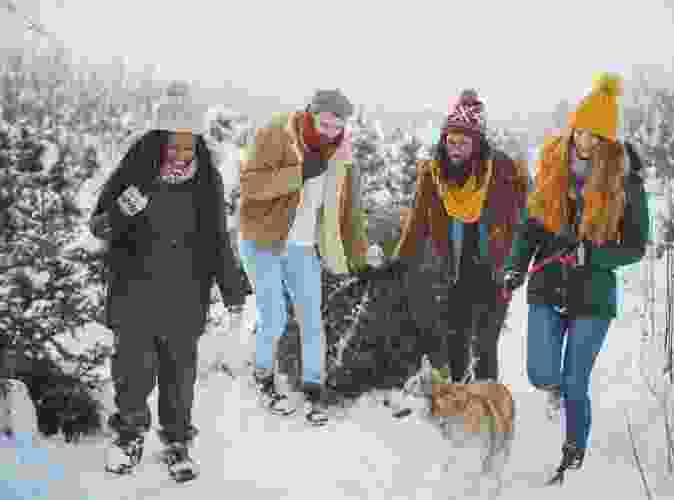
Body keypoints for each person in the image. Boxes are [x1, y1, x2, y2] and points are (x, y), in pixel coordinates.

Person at [89, 82, 249, 481]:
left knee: (179, 376)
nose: (181, 153)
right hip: (134, 292)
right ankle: (129, 436)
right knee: (133, 371)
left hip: (184, 296)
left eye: (188, 144)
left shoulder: (206, 180)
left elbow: (217, 240)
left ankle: (177, 442)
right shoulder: (135, 172)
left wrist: (232, 288)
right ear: (158, 141)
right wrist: (126, 208)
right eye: (173, 145)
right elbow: (99, 225)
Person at [502, 73, 650, 484]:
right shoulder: (550, 169)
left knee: (575, 382)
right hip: (547, 288)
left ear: (608, 141)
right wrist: (516, 265)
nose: (585, 142)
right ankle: (554, 395)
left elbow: (637, 245)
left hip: (593, 296)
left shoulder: (626, 181)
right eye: (581, 132)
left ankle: (574, 451)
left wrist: (595, 256)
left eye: (596, 136)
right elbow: (530, 229)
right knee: (541, 373)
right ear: (572, 130)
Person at [363, 89, 530, 383]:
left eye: (463, 142)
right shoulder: (433, 173)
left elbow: (521, 221)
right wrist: (398, 260)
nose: (455, 148)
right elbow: (417, 223)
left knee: (485, 346)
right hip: (454, 272)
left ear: (477, 143)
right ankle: (460, 407)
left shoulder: (501, 170)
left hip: (495, 270)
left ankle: (486, 411)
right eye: (450, 141)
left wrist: (516, 265)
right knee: (455, 342)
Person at [238, 89, 368, 426]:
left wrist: (358, 253)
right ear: (310, 114)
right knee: (275, 316)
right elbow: (250, 185)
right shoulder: (278, 133)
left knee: (312, 318)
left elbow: (348, 210)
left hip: (302, 245)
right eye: (323, 123)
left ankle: (313, 389)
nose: (328, 132)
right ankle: (264, 376)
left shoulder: (341, 153)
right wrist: (297, 174)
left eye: (336, 126)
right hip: (263, 240)